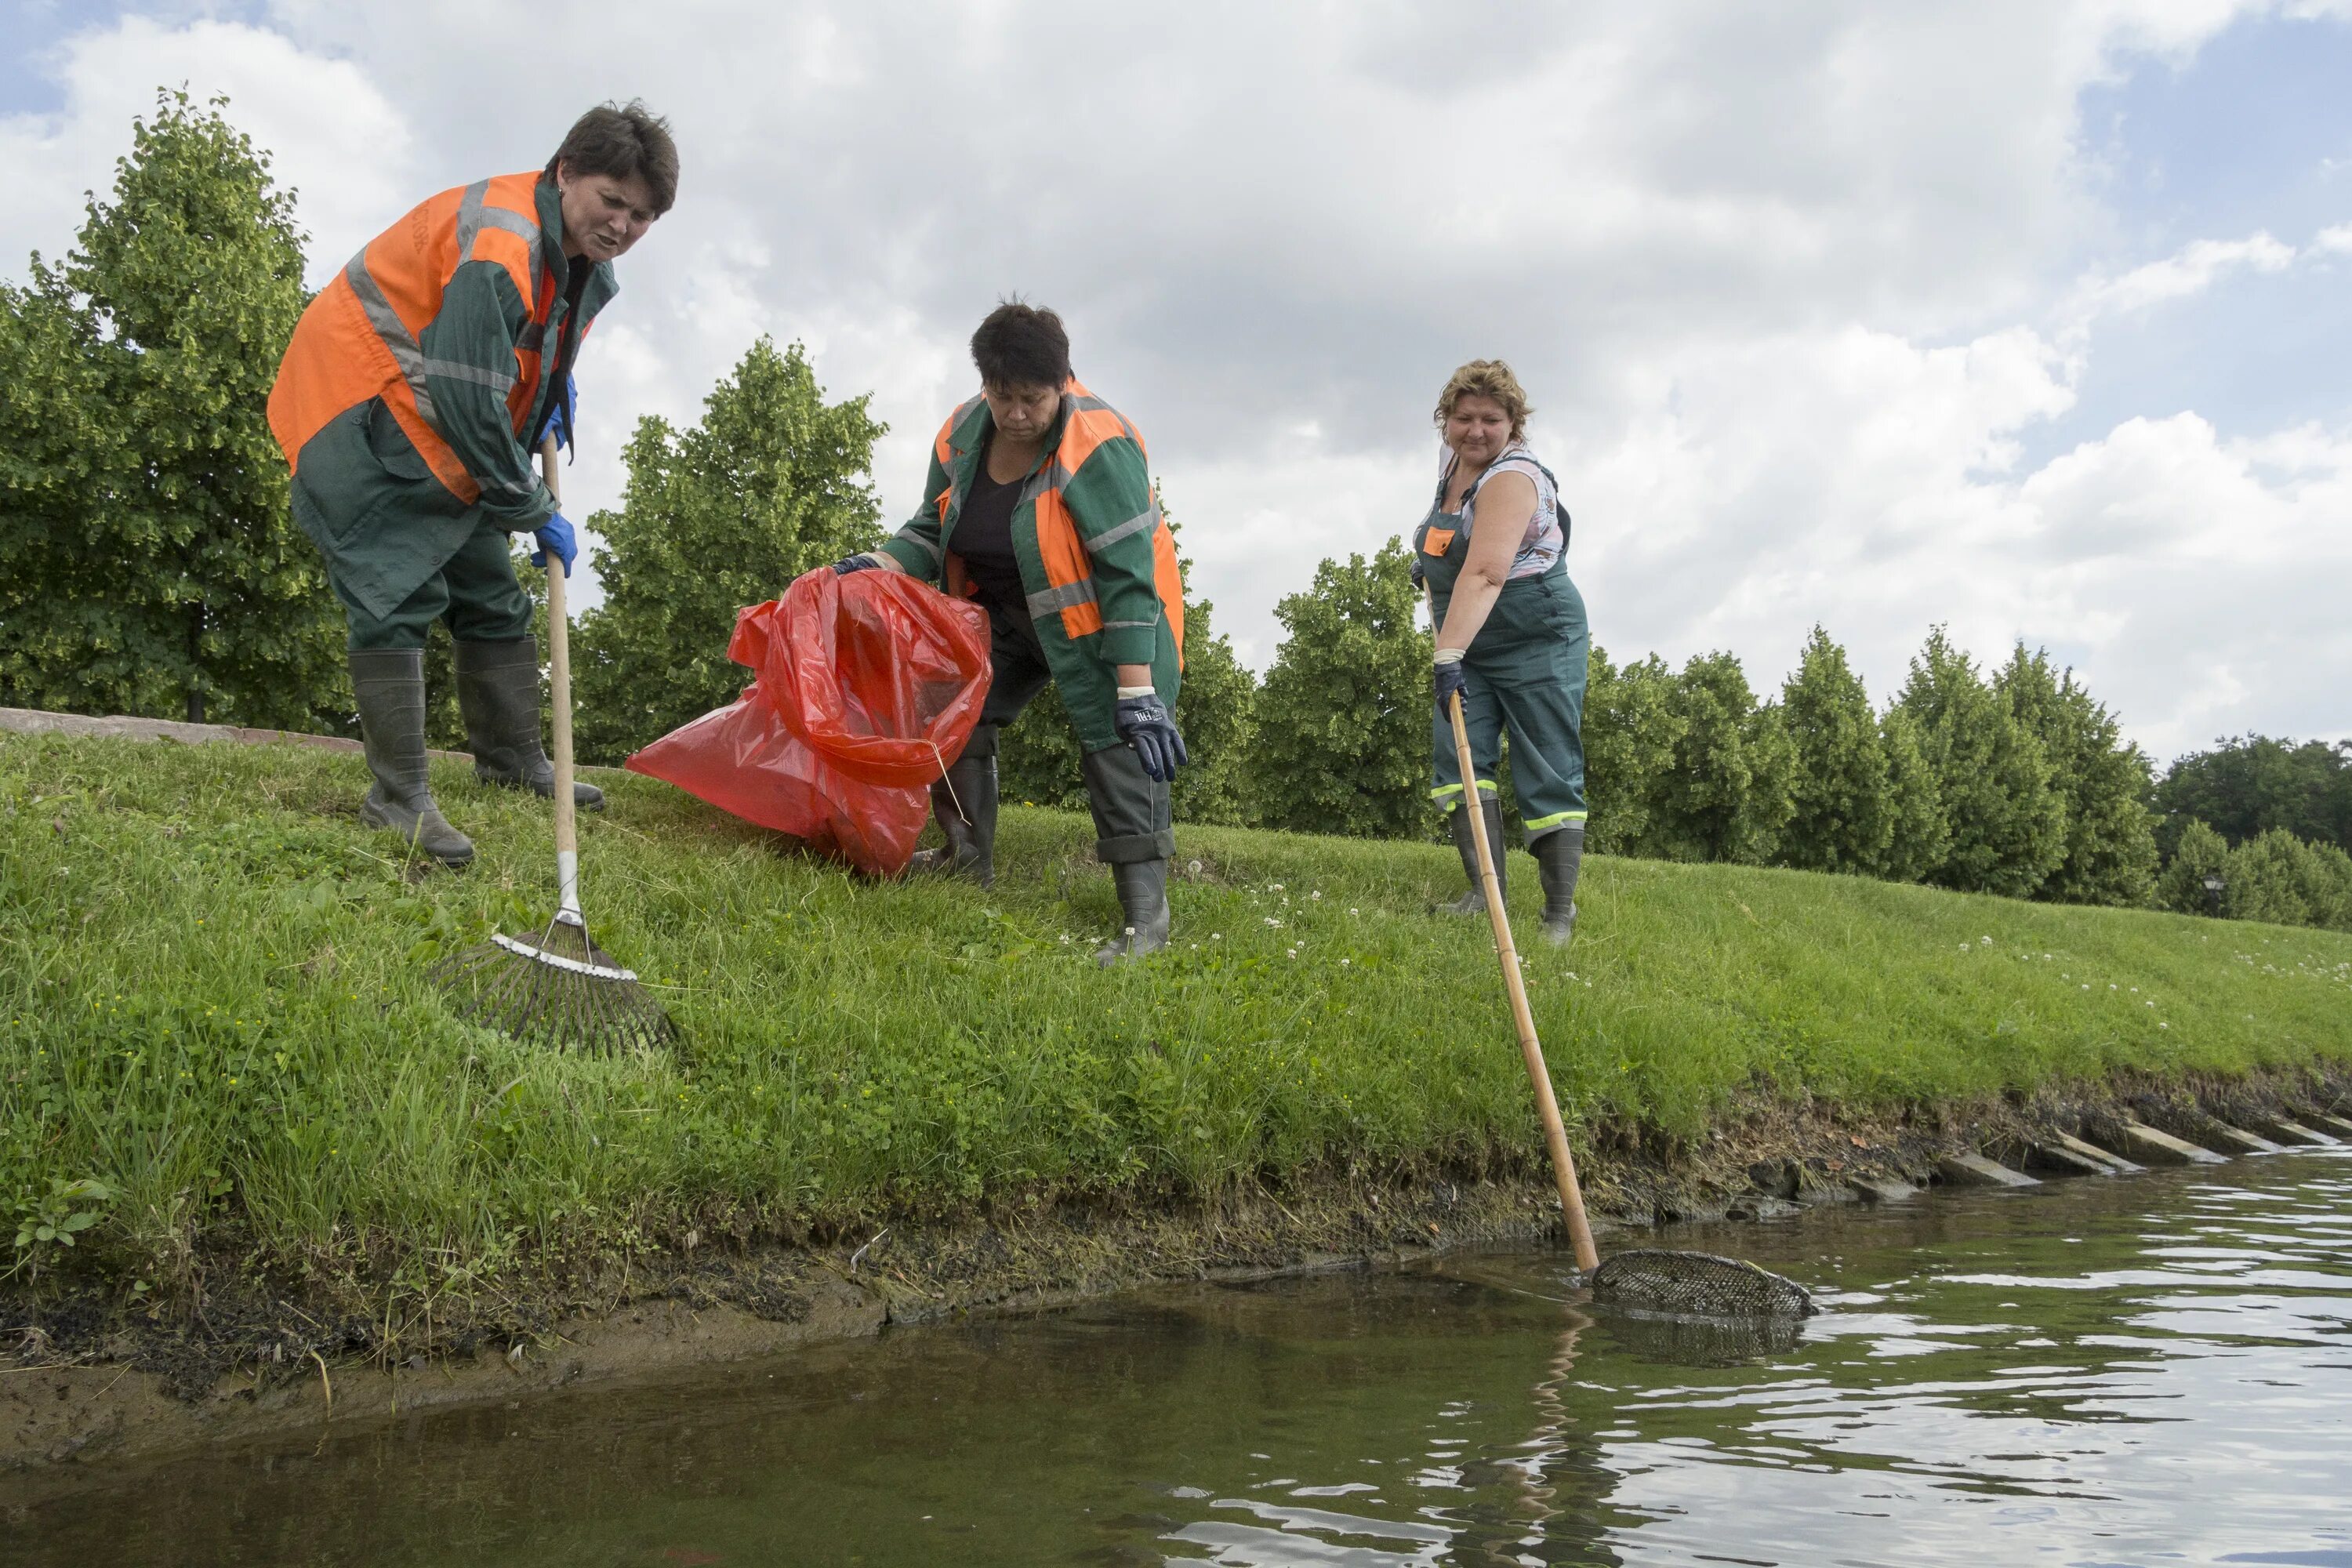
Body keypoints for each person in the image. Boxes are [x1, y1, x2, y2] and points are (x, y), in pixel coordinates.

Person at [267, 102, 678, 867]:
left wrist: (550, 395)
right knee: (396, 587)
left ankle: (512, 757)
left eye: (644, 215)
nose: (624, 224)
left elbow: (519, 345)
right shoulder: (504, 240)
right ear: (565, 173)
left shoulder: (577, 249)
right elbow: (463, 394)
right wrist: (531, 503)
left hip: (437, 407)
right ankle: (398, 797)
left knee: (491, 589)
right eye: (611, 201)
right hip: (361, 402)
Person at [834, 303, 1189, 964]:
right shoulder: (962, 434)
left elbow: (1128, 574)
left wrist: (1136, 688)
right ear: (984, 384)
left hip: (1105, 627)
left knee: (1119, 744)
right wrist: (878, 562)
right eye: (1004, 397)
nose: (1017, 413)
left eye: (1034, 399)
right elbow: (932, 528)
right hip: (1004, 618)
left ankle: (1146, 916)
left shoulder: (1100, 445)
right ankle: (968, 859)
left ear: (1065, 382)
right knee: (953, 708)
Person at [1414, 360, 1588, 943]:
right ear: (1446, 421)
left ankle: (1558, 914)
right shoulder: (1454, 466)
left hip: (1537, 633)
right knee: (1460, 757)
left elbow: (1487, 571)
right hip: (1472, 634)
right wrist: (1429, 563)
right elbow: (1453, 543)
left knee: (1546, 763)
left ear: (1515, 424)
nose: (1477, 431)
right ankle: (1485, 895)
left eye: (1492, 419)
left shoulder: (1513, 478)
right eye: (1464, 418)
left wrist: (1446, 657)